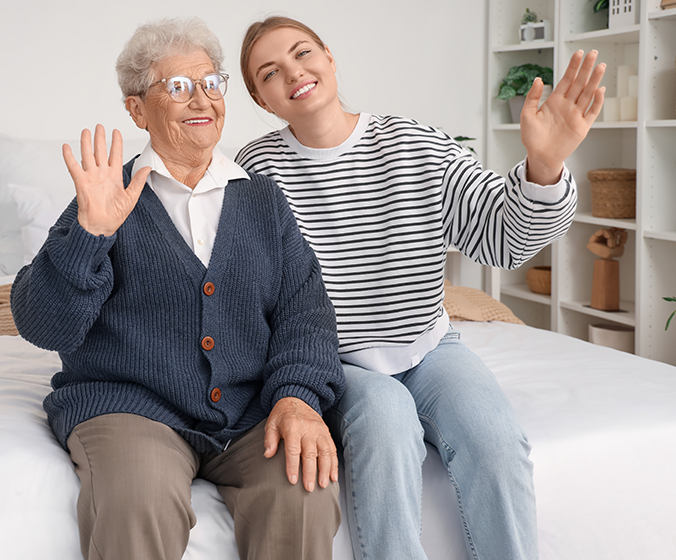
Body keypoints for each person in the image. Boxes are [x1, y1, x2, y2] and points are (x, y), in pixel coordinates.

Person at [236, 16, 606, 560]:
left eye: (303, 53)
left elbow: (500, 238)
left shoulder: (415, 143)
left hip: (429, 348)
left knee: (497, 443)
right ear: (262, 99)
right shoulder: (257, 169)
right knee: (387, 426)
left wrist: (545, 166)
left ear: (330, 58)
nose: (294, 72)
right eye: (270, 72)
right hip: (337, 366)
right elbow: (257, 293)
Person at [10, 17, 345, 560]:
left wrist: (297, 398)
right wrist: (90, 235)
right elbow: (43, 324)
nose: (202, 100)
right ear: (137, 108)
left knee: (303, 490)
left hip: (246, 414)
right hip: (129, 408)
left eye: (212, 83)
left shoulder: (263, 200)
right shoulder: (107, 198)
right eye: (179, 87)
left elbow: (305, 315)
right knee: (138, 495)